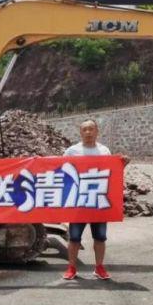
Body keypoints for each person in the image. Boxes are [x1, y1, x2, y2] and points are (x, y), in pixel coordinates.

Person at [62, 119, 129, 281]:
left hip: (98, 201)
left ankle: (99, 267)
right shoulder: (72, 151)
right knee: (74, 237)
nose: (88, 132)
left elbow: (110, 173)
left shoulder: (104, 151)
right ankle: (71, 268)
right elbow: (60, 170)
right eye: (84, 129)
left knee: (100, 237)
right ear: (80, 132)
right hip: (79, 202)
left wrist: (122, 165)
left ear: (97, 131)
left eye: (91, 129)